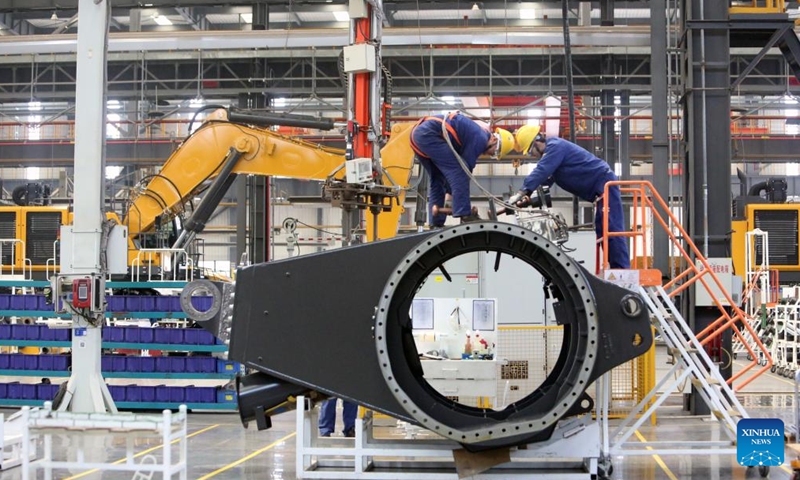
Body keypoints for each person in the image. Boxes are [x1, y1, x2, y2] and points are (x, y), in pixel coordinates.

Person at [512, 125, 630, 269]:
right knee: (602, 229)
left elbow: (542, 170)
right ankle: (614, 268)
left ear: (536, 143)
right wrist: (528, 198)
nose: (532, 156)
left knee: (611, 227)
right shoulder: (554, 155)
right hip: (599, 192)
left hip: (604, 184)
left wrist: (522, 192)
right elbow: (544, 181)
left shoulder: (555, 147)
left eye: (531, 152)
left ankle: (622, 271)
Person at [411, 112, 515, 226]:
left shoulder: (476, 133)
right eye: (495, 151)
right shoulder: (481, 138)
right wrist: (454, 199)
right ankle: (465, 215)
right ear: (494, 140)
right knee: (460, 172)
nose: (491, 154)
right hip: (430, 134)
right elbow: (465, 169)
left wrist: (451, 194)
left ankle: (436, 224)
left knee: (437, 180)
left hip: (417, 136)